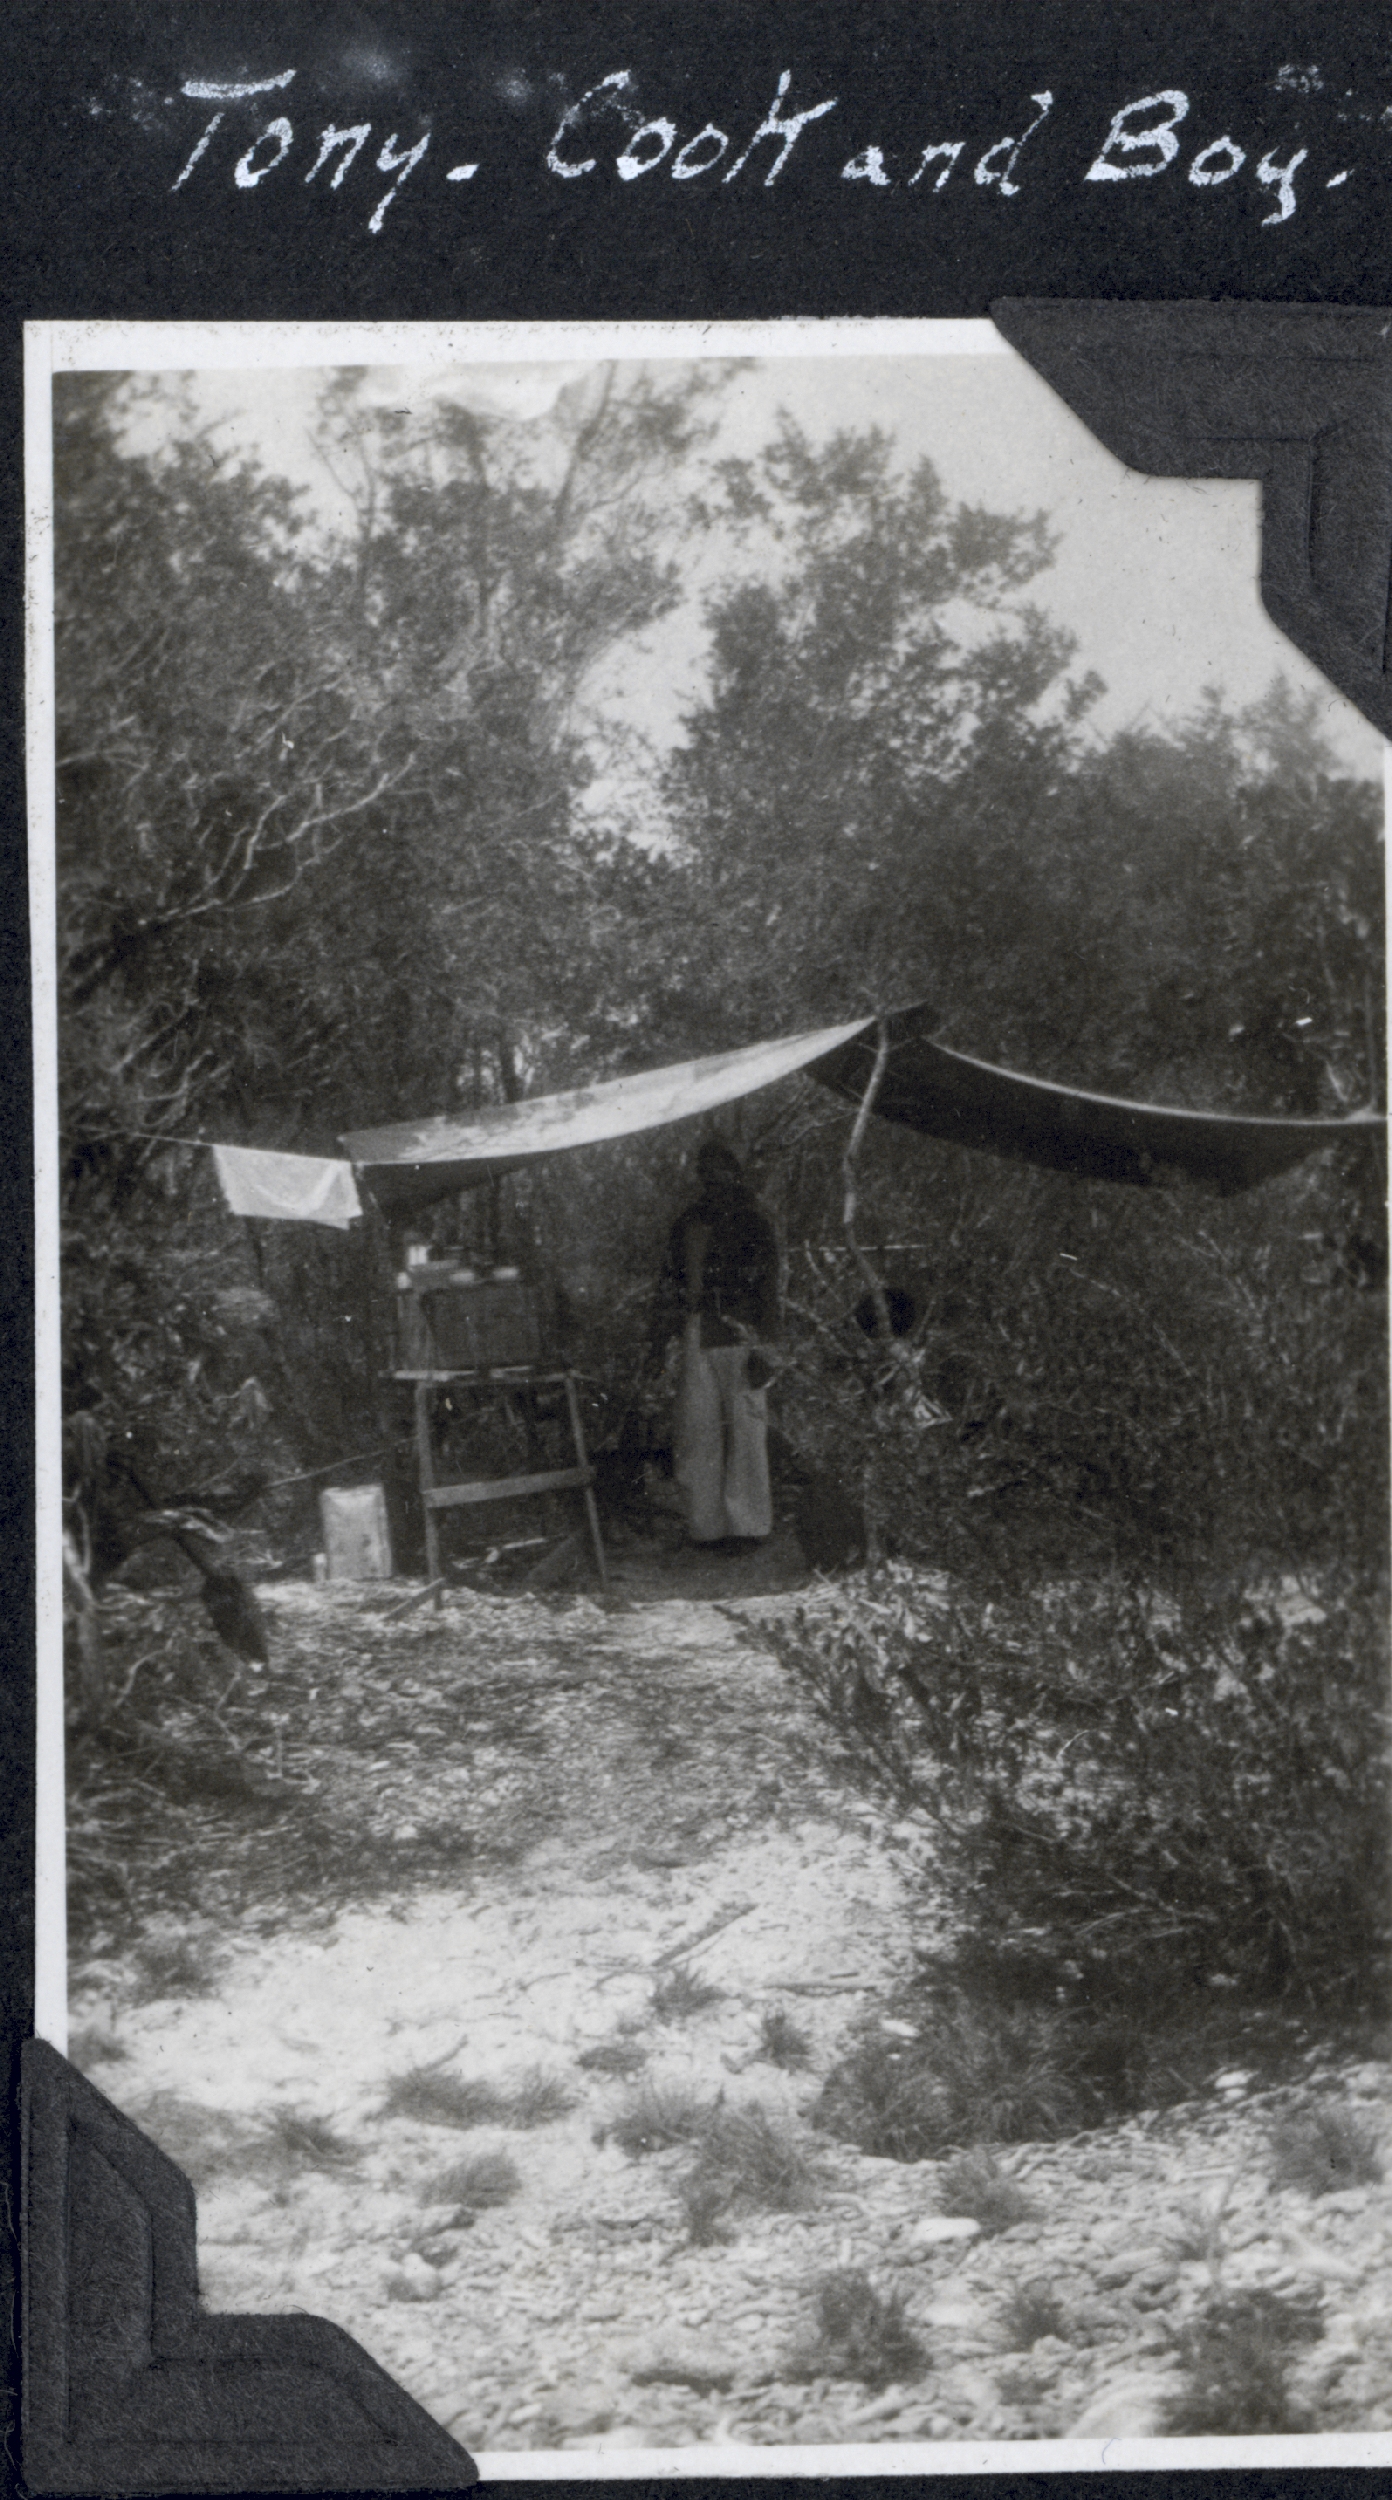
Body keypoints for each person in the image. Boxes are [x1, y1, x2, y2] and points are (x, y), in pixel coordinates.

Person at [662, 1139, 780, 1548]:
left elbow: (769, 1290)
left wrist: (765, 1348)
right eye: (706, 1171)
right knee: (697, 1432)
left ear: (735, 1174)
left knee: (747, 1432)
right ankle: (705, 1527)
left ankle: (748, 1527)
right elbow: (671, 1281)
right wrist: (666, 1334)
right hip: (697, 1331)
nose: (713, 1179)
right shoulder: (687, 1223)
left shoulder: (754, 1222)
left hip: (741, 1332)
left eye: (721, 1170)